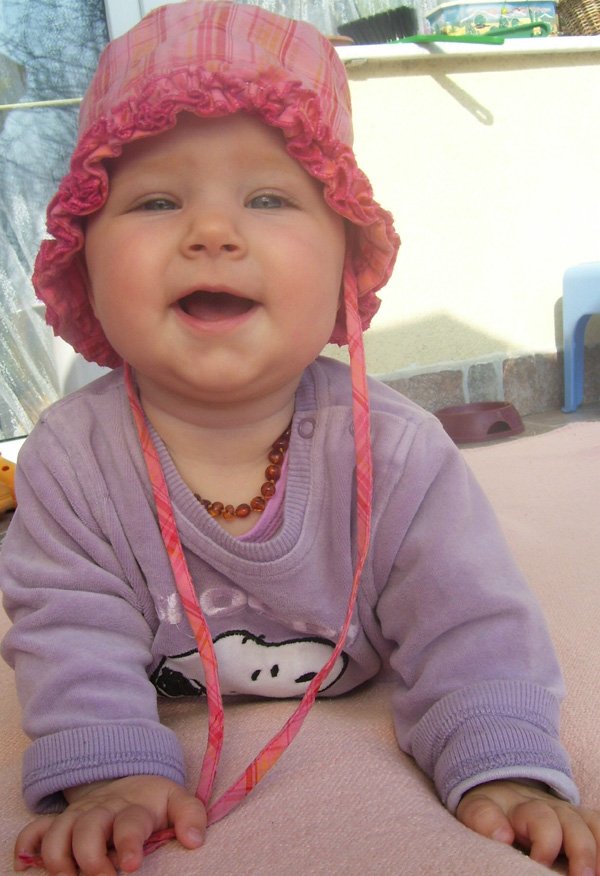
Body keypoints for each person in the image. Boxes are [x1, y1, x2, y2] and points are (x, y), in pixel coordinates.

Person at [1, 3, 599, 875]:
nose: (212, 233)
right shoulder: (70, 459)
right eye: (157, 201)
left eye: (269, 198)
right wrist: (110, 772)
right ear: (82, 262)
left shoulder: (397, 451)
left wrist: (501, 761)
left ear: (345, 262)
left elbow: (471, 622)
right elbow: (67, 629)